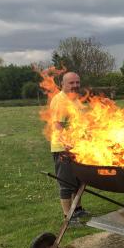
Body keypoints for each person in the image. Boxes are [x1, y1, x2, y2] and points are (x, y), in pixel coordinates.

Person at [50, 72, 89, 223]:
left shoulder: (75, 100)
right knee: (66, 182)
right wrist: (67, 144)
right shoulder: (60, 101)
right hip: (63, 148)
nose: (75, 85)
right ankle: (68, 216)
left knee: (79, 179)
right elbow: (58, 125)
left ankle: (77, 209)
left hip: (78, 147)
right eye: (71, 83)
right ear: (63, 84)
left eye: (77, 82)